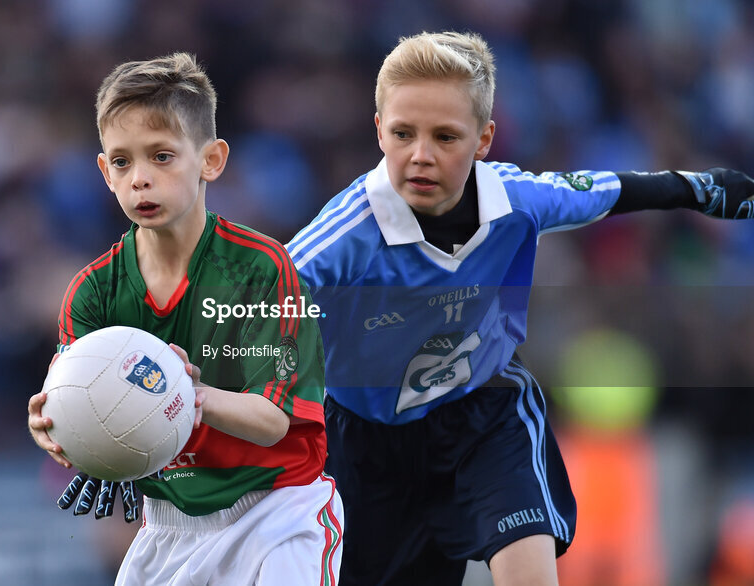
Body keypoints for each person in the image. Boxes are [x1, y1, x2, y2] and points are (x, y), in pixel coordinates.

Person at [285, 30, 754, 585]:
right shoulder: (342, 238)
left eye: (446, 137)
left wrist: (700, 188)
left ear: (484, 139)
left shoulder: (518, 201)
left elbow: (610, 190)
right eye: (403, 133)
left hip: (483, 415)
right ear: (379, 130)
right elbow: (249, 302)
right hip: (364, 444)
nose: (421, 155)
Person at [26, 53, 342, 586]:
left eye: (162, 157)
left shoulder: (261, 269)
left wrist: (185, 395)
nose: (141, 179)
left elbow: (275, 421)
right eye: (122, 162)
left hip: (277, 513)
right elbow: (80, 401)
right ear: (104, 172)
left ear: (211, 161)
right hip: (166, 531)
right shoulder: (92, 292)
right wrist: (55, 428)